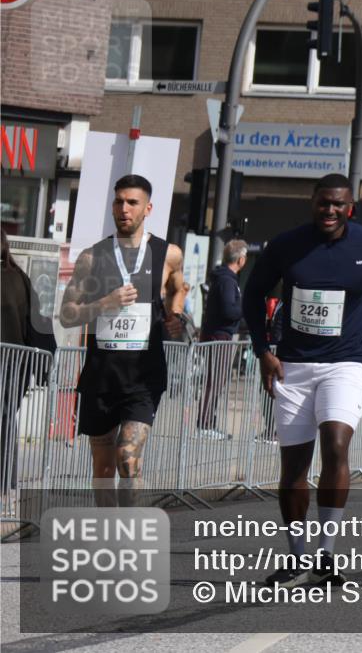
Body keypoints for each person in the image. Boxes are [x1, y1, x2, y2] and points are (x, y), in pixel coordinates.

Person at [242, 173, 362, 588]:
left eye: (339, 204)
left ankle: (326, 554)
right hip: (293, 366)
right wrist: (262, 350)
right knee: (294, 467)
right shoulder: (286, 245)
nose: (331, 210)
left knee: (335, 445)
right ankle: (297, 556)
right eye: (324, 203)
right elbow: (253, 293)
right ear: (312, 202)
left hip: (345, 363)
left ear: (351, 206)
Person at [59, 174, 186, 507]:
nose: (124, 209)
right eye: (118, 202)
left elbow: (178, 288)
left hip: (143, 377)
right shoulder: (93, 257)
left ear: (148, 209)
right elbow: (67, 314)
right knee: (103, 469)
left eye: (132, 202)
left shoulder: (168, 254)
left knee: (127, 458)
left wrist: (175, 315)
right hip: (101, 376)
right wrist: (105, 303)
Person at [2, 229, 57, 493]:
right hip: (15, 366)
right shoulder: (19, 278)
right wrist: (44, 367)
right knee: (5, 421)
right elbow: (39, 323)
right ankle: (4, 484)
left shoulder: (16, 279)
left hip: (10, 366)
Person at [198, 239, 248, 435]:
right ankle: (205, 424)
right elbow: (228, 310)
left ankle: (207, 422)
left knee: (216, 379)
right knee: (215, 379)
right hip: (220, 335)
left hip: (218, 333)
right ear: (241, 259)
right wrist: (245, 309)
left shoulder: (223, 278)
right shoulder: (227, 281)